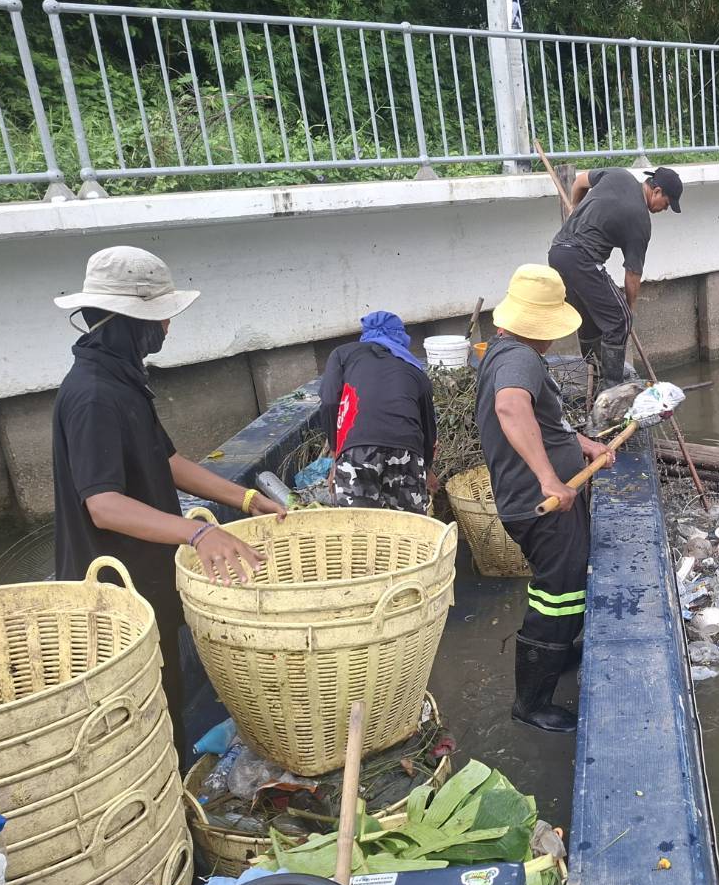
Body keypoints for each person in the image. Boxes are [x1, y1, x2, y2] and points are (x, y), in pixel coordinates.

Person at [52, 246, 284, 758]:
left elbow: (167, 460)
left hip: (149, 583)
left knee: (170, 699)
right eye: (159, 317)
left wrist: (246, 498)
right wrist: (199, 532)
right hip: (114, 597)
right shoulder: (93, 395)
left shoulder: (124, 379)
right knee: (144, 725)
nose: (166, 326)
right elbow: (103, 505)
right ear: (126, 322)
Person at [476, 265, 617, 733]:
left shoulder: (502, 351)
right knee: (557, 595)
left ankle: (559, 651)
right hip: (542, 506)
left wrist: (581, 442)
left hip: (540, 497)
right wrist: (550, 480)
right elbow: (510, 407)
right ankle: (532, 704)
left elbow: (543, 419)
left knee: (560, 588)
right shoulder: (520, 359)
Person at [548, 165, 683, 386]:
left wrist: (575, 208)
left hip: (557, 253)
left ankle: (595, 378)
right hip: (583, 260)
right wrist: (629, 312)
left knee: (589, 322)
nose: (665, 209)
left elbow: (579, 182)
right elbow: (633, 274)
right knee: (619, 320)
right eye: (667, 204)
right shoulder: (640, 221)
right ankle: (612, 388)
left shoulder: (619, 174)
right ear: (657, 191)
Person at [320, 311, 438, 514]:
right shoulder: (414, 369)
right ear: (400, 336)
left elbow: (330, 401)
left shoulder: (343, 354)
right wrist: (426, 469)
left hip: (357, 449)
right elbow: (429, 429)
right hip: (407, 450)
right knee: (408, 527)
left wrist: (336, 454)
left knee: (357, 524)